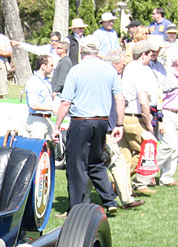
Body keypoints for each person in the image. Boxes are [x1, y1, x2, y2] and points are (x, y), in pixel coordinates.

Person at [54, 38, 124, 215]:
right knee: (96, 162)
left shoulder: (76, 70)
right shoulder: (109, 69)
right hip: (102, 121)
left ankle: (75, 208)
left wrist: (56, 126)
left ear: (81, 51)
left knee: (76, 165)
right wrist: (119, 124)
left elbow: (65, 102)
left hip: (81, 121)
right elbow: (120, 98)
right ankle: (109, 200)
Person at [103, 50, 143, 211]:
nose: (123, 68)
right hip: (104, 127)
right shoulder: (110, 78)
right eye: (122, 65)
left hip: (101, 126)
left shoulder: (106, 77)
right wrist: (116, 125)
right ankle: (125, 199)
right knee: (116, 162)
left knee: (98, 164)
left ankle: (82, 201)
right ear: (114, 64)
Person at [120, 42, 161, 196]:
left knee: (125, 155)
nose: (151, 58)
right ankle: (117, 180)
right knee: (145, 152)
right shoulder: (141, 70)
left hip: (124, 115)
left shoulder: (128, 68)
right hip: (135, 117)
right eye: (150, 55)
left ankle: (123, 187)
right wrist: (148, 121)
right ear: (143, 54)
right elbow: (143, 100)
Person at [156, 46, 178, 186]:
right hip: (167, 111)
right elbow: (161, 91)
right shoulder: (167, 74)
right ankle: (147, 171)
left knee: (175, 147)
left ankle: (167, 177)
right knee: (168, 145)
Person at [25, 55, 55, 138]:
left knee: (49, 149)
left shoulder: (46, 81)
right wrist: (51, 109)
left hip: (47, 119)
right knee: (37, 149)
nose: (53, 68)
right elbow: (33, 105)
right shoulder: (34, 82)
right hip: (37, 121)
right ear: (43, 66)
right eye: (51, 65)